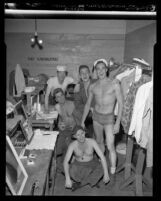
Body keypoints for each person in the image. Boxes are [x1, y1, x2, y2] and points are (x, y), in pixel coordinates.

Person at [81, 59, 123, 175]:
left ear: (106, 70)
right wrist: (82, 121)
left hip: (109, 118)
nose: (100, 71)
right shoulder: (93, 86)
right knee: (99, 141)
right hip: (96, 118)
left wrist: (118, 122)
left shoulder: (115, 83)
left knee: (110, 145)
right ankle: (102, 161)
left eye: (102, 68)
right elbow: (88, 104)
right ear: (95, 71)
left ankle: (113, 169)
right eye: (97, 69)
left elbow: (121, 103)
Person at [63, 125, 110, 191]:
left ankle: (81, 184)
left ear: (85, 132)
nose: (81, 137)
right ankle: (91, 180)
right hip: (78, 165)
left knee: (104, 167)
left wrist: (106, 174)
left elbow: (102, 157)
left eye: (82, 133)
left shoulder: (92, 142)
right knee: (68, 169)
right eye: (78, 135)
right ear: (75, 136)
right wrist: (67, 178)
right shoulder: (72, 145)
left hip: (91, 164)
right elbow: (65, 161)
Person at [73, 65, 97, 138]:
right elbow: (77, 104)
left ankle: (95, 136)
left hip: (98, 111)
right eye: (82, 73)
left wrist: (94, 108)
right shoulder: (78, 87)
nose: (85, 75)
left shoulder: (96, 83)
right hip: (87, 111)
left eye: (86, 72)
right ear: (80, 76)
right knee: (75, 111)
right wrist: (89, 108)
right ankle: (82, 133)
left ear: (89, 74)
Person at [53, 88, 76, 163]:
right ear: (56, 99)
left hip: (73, 128)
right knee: (57, 149)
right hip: (64, 129)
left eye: (62, 95)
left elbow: (71, 121)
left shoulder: (70, 104)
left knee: (65, 143)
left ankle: (72, 155)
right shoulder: (57, 106)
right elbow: (61, 118)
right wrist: (60, 124)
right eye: (58, 97)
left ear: (64, 95)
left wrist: (61, 125)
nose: (61, 98)